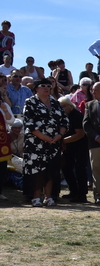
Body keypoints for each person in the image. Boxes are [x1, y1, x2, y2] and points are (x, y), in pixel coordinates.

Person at [21, 78, 68, 207]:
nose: (47, 88)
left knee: (51, 169)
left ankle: (49, 198)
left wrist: (59, 135)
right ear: (36, 88)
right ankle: (36, 198)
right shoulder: (30, 102)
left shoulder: (55, 102)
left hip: (53, 143)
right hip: (35, 143)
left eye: (49, 85)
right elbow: (29, 124)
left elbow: (64, 121)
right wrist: (44, 137)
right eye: (43, 86)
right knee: (37, 170)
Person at [56, 96, 88, 203]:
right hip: (69, 147)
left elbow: (79, 134)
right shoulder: (63, 116)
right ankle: (73, 190)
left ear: (70, 106)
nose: (62, 108)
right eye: (60, 107)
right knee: (66, 168)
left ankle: (82, 194)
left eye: (64, 106)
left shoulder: (76, 116)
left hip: (80, 146)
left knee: (80, 170)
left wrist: (62, 141)